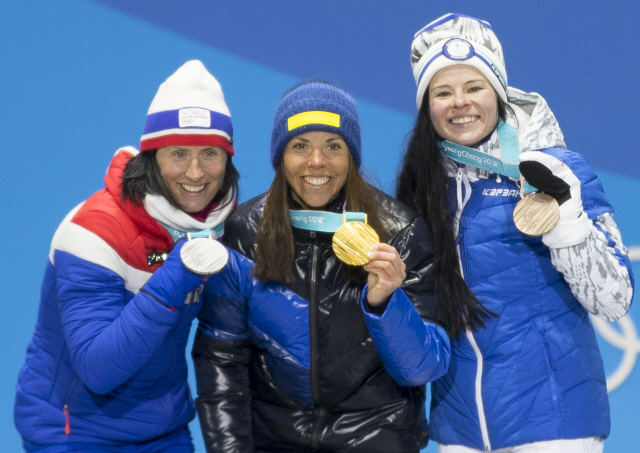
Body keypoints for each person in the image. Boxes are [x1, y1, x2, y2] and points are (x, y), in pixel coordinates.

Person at [396, 13, 635, 453]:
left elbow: (615, 298)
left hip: (554, 422)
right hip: (459, 429)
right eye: (443, 92)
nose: (459, 103)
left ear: (499, 92)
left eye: (474, 87)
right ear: (426, 105)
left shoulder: (558, 168)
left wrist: (565, 223)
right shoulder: (421, 189)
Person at [192, 79, 456, 452]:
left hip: (375, 437)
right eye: (300, 146)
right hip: (274, 440)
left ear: (351, 155)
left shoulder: (399, 232)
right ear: (281, 156)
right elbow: (222, 358)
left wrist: (385, 302)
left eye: (333, 146)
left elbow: (422, 369)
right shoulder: (245, 232)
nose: (317, 162)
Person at [14, 60, 239, 452]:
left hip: (163, 429)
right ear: (151, 158)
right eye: (178, 154)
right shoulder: (92, 232)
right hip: (73, 433)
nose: (196, 172)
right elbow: (98, 370)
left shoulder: (218, 226)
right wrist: (178, 271)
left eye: (210, 153)